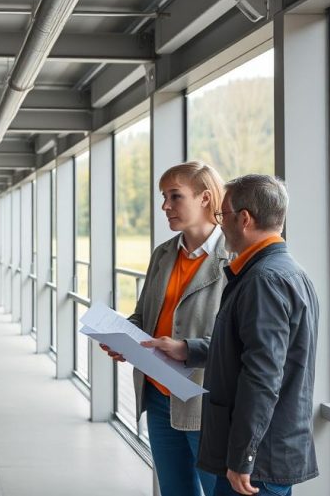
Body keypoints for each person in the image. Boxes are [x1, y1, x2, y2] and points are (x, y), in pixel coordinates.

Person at [100, 161, 227, 496]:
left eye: (175, 196)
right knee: (175, 490)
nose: (165, 206)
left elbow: (237, 340)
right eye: (163, 196)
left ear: (204, 198)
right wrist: (123, 337)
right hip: (158, 395)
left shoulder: (232, 258)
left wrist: (184, 347)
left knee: (219, 490)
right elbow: (144, 316)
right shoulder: (164, 254)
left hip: (205, 401)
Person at [190, 174, 319, 496]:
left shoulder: (264, 280)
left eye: (223, 216)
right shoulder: (286, 271)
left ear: (244, 219)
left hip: (258, 458)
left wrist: (244, 456)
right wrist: (188, 349)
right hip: (267, 449)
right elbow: (248, 352)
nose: (219, 225)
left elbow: (263, 375)